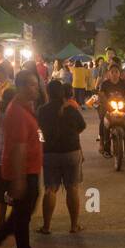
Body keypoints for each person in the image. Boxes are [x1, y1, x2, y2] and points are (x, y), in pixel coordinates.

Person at [0, 69, 49, 248]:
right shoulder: (17, 112)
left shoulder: (26, 108)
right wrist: (18, 179)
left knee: (23, 212)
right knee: (22, 215)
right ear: (20, 87)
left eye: (36, 83)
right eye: (30, 84)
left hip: (30, 170)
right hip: (23, 171)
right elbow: (18, 147)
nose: (35, 87)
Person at [38, 79, 86, 234]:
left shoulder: (42, 110)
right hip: (71, 151)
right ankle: (74, 226)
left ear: (48, 93)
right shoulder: (71, 109)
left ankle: (46, 226)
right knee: (72, 188)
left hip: (50, 152)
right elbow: (82, 126)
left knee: (50, 189)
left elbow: (38, 129)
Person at [96, 60, 125, 157]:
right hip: (108, 107)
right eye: (112, 72)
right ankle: (103, 144)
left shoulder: (124, 83)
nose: (114, 74)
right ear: (108, 73)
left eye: (116, 72)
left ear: (120, 73)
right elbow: (101, 95)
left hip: (121, 107)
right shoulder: (105, 84)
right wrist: (105, 103)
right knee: (103, 122)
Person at [0, 86, 15, 225]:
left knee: (1, 195)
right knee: (12, 193)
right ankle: (13, 222)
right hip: (10, 160)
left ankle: (2, 222)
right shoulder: (13, 115)